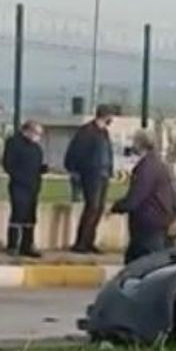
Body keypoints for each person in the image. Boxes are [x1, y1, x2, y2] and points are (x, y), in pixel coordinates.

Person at [111, 129, 176, 263]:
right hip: (160, 218)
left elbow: (137, 196)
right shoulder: (159, 164)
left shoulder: (147, 167)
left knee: (145, 264)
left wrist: (117, 207)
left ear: (139, 144)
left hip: (149, 221)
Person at [64, 104, 116, 253]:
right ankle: (81, 243)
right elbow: (75, 152)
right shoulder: (87, 131)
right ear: (105, 115)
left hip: (103, 174)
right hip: (91, 174)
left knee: (98, 208)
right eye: (110, 116)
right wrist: (75, 171)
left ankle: (89, 241)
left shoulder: (104, 133)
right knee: (91, 207)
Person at [3, 120, 47, 258]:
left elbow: (36, 165)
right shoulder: (14, 143)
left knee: (30, 217)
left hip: (33, 186)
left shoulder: (36, 148)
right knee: (18, 215)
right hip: (19, 186)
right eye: (36, 133)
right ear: (27, 130)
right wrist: (20, 177)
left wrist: (42, 170)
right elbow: (8, 164)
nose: (37, 137)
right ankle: (13, 245)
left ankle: (27, 245)